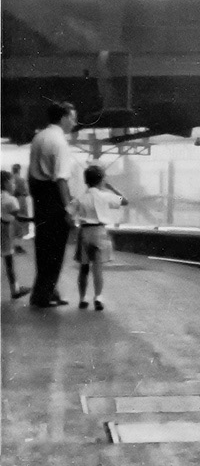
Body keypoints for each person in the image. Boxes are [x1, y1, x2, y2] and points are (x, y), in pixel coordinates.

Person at [28, 101, 78, 308]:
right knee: (55, 250)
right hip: (54, 197)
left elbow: (31, 173)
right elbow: (61, 179)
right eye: (73, 118)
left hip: (40, 196)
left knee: (43, 248)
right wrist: (69, 209)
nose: (74, 122)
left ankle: (46, 291)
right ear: (64, 117)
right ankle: (44, 296)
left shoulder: (39, 137)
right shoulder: (60, 142)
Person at [69, 165, 127, 311]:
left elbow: (68, 214)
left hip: (84, 232)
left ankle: (82, 299)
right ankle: (98, 298)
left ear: (86, 181)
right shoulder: (105, 196)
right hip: (99, 232)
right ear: (101, 180)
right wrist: (111, 188)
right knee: (97, 267)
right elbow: (124, 201)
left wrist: (75, 226)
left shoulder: (80, 198)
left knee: (84, 268)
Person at [1, 171, 31, 299]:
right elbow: (19, 217)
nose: (14, 185)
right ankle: (15, 290)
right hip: (5, 230)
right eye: (12, 182)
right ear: (5, 183)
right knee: (9, 262)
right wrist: (34, 219)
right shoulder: (10, 199)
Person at [10, 164, 30, 254]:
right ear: (19, 170)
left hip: (12, 201)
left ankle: (13, 245)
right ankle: (18, 247)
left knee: (14, 223)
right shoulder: (21, 180)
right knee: (21, 223)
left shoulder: (10, 179)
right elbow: (26, 192)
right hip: (21, 201)